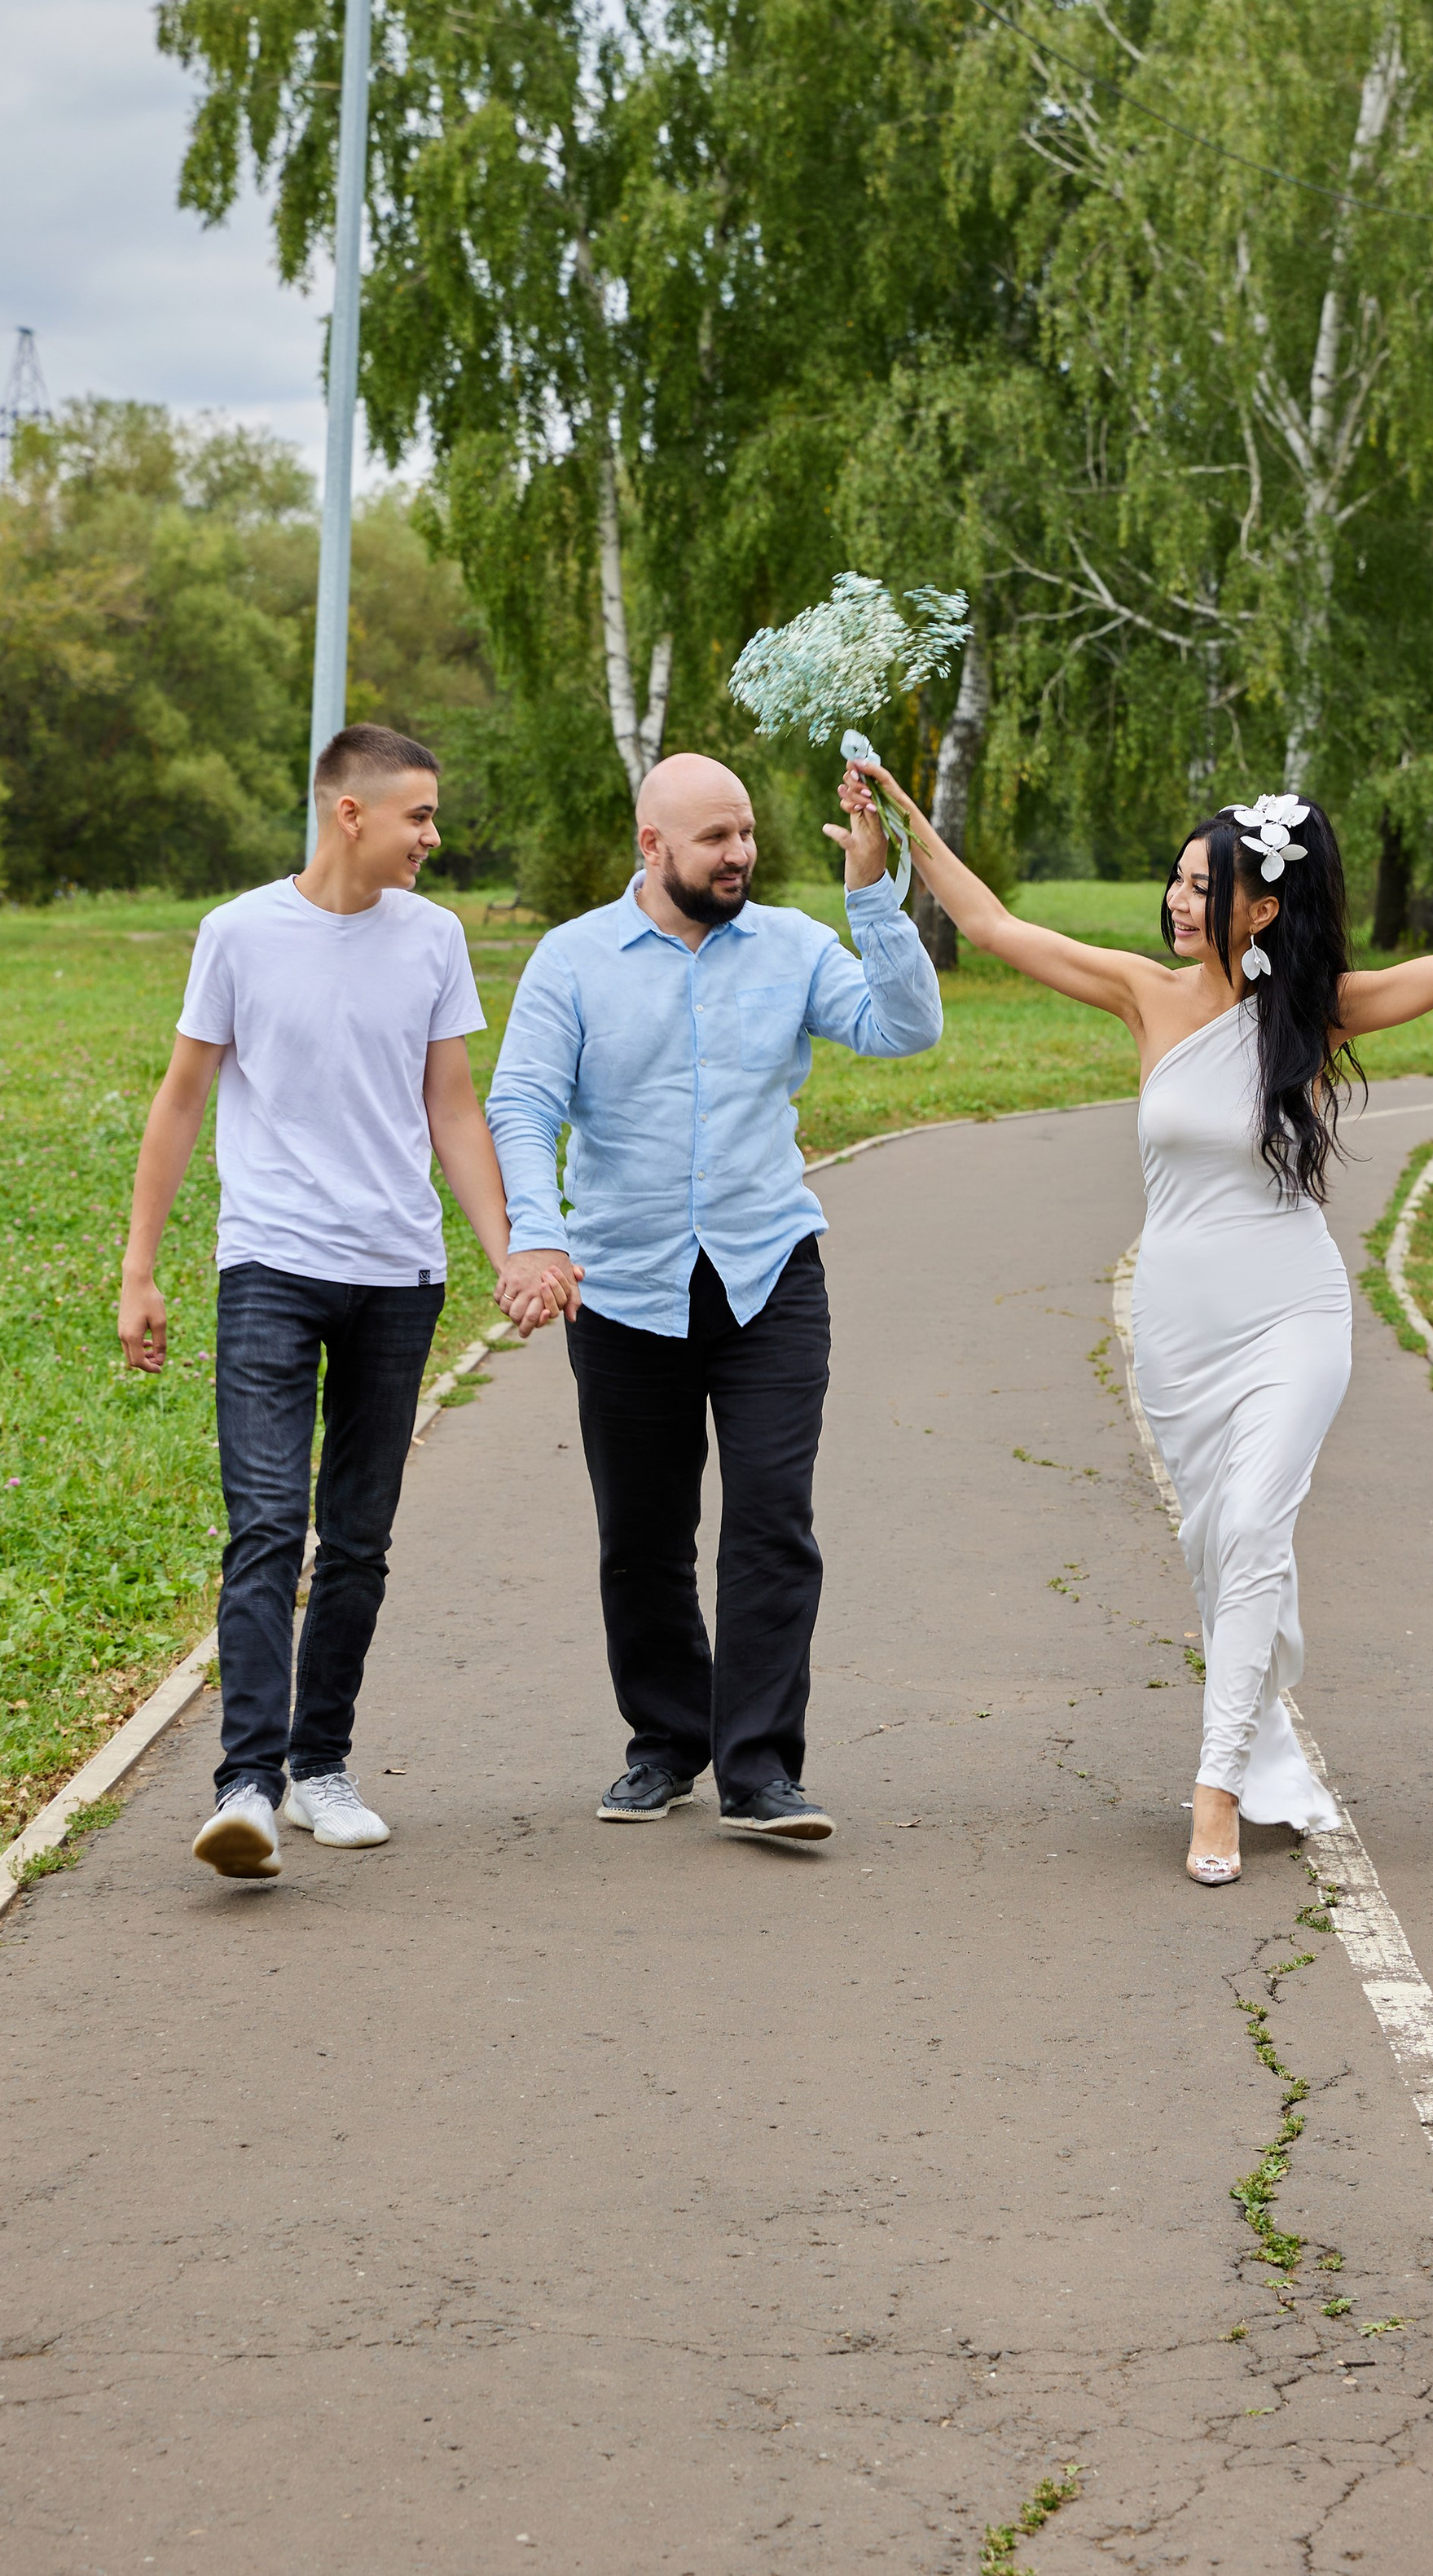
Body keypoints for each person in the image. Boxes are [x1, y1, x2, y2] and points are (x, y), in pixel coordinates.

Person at [843, 752, 1433, 1885]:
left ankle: (1217, 1790)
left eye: (1206, 883)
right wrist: (900, 817)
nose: (1181, 900)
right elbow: (994, 927)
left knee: (1250, 1532)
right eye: (1179, 881)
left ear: (1264, 905)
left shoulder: (1318, 1011)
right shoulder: (1146, 993)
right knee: (1218, 1548)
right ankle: (1263, 1743)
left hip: (1293, 1314)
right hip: (1179, 1327)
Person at [486, 753, 942, 1846]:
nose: (740, 854)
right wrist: (538, 1236)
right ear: (653, 848)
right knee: (642, 1536)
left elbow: (906, 1026)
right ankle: (665, 1738)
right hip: (625, 1284)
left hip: (767, 1275)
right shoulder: (575, 959)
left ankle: (761, 1770)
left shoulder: (790, 944)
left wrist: (874, 895)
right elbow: (523, 1098)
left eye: (745, 834)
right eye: (714, 839)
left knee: (774, 1522)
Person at [119, 725, 525, 1882]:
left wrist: (504, 1250)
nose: (434, 838)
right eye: (420, 817)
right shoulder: (240, 933)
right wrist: (139, 1271)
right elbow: (182, 1098)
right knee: (265, 1526)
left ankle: (320, 1765)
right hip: (271, 1267)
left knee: (356, 1539)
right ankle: (246, 1783)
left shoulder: (434, 938)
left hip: (399, 1275)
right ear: (350, 812)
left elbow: (453, 1106)